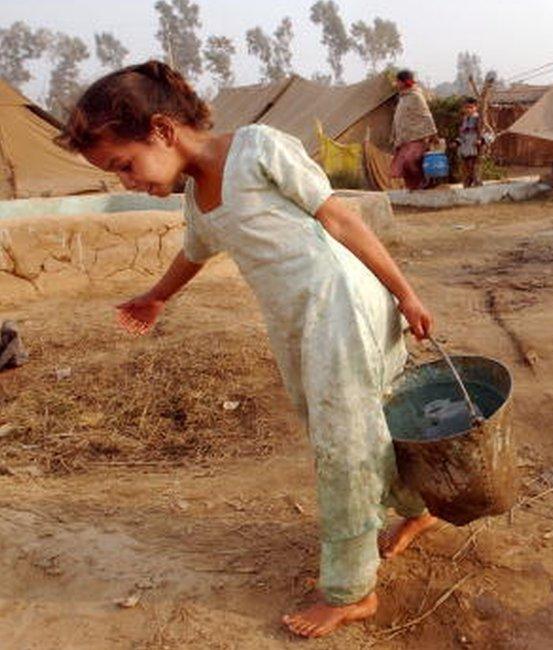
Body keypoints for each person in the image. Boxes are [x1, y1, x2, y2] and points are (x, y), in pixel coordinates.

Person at [57, 60, 440, 639]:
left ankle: (350, 590)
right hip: (299, 326)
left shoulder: (258, 147)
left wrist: (405, 293)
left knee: (344, 444)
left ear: (162, 130)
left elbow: (338, 217)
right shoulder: (196, 200)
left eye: (124, 165)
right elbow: (194, 251)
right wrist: (156, 298)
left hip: (341, 309)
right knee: (356, 427)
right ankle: (419, 509)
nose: (127, 181)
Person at [391, 69, 438, 191]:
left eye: (397, 81)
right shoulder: (403, 98)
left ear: (403, 82)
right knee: (402, 166)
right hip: (404, 139)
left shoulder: (416, 96)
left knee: (410, 162)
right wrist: (394, 136)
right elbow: (399, 119)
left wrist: (433, 133)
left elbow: (425, 115)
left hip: (417, 137)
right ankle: (412, 188)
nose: (396, 84)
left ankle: (424, 182)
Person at [457, 97, 484, 188]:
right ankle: (467, 185)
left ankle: (476, 185)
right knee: (465, 167)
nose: (468, 109)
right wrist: (457, 142)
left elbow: (480, 131)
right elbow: (461, 133)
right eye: (467, 107)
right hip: (465, 146)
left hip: (474, 146)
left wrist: (479, 140)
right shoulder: (464, 119)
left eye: (471, 107)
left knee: (473, 167)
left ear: (475, 107)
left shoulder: (477, 118)